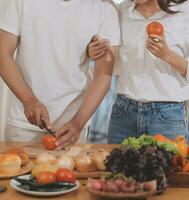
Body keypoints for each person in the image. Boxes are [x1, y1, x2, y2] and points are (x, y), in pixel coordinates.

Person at [0, 0, 120, 149]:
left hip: (73, 126)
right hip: (23, 124)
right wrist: (28, 100)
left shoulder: (104, 8)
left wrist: (78, 123)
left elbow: (103, 74)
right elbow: (3, 54)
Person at [88, 0, 189, 143]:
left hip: (167, 116)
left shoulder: (185, 11)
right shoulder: (122, 10)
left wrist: (167, 54)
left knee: (167, 165)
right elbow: (116, 65)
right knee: (117, 165)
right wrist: (96, 53)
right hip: (123, 112)